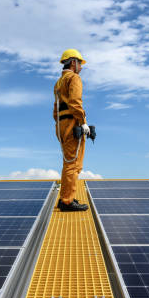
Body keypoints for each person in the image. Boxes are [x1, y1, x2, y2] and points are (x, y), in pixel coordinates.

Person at [53, 49, 91, 212]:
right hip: (72, 124)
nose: (81, 67)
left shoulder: (59, 82)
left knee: (68, 163)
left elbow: (55, 109)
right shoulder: (74, 78)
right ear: (73, 62)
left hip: (61, 125)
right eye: (80, 63)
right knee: (74, 164)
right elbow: (75, 102)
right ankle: (67, 201)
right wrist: (83, 123)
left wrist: (61, 124)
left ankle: (65, 198)